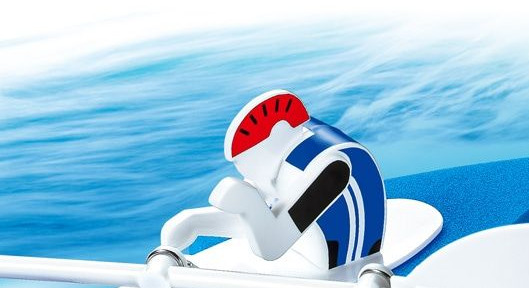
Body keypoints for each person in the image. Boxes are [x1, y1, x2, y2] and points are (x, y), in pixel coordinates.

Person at [160, 90, 386, 271]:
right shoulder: (280, 159)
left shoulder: (332, 168)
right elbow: (265, 218)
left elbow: (272, 246)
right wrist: (196, 222)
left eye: (248, 162)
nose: (247, 174)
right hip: (304, 242)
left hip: (345, 260)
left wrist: (247, 201)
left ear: (278, 134)